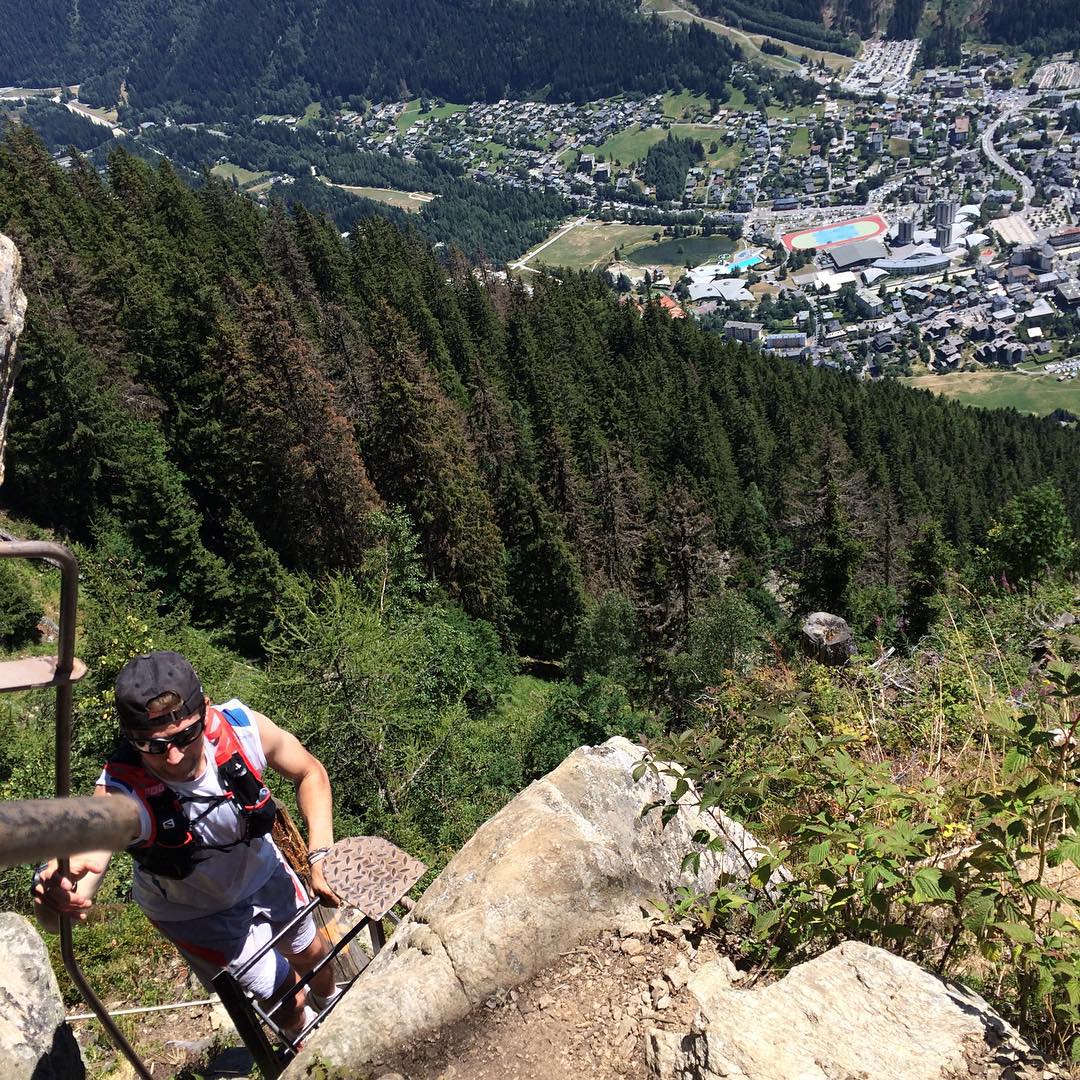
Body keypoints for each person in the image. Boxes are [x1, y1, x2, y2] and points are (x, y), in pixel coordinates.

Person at [34, 650, 341, 1042]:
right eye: (152, 746)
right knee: (286, 994)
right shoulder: (120, 791)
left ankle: (332, 1002)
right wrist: (58, 895)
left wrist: (321, 853)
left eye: (184, 736)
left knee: (314, 954)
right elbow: (87, 857)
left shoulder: (241, 728)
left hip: (262, 873)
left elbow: (309, 772)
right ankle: (304, 1043)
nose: (173, 756)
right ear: (131, 739)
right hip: (195, 911)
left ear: (206, 711)